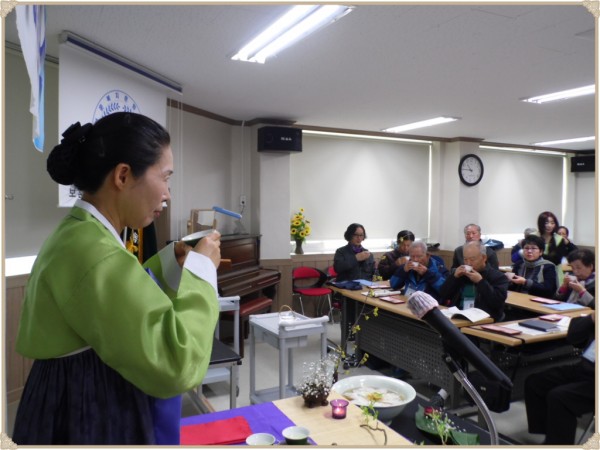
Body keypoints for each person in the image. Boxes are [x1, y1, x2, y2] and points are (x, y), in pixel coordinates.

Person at [12, 113, 221, 445]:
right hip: (87, 406)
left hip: (66, 395)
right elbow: (175, 362)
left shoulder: (80, 233)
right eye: (165, 177)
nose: (168, 195)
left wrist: (174, 265)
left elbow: (122, 291)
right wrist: (202, 271)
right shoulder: (94, 250)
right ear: (123, 175)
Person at [524, 312, 595, 444]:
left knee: (560, 397)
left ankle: (558, 443)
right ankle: (551, 437)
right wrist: (591, 318)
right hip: (585, 368)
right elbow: (573, 337)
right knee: (535, 383)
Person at [441, 241, 509, 321]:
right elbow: (443, 296)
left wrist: (480, 282)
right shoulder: (461, 275)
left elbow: (497, 303)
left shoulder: (499, 277)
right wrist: (454, 277)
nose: (468, 263)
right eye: (465, 259)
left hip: (483, 320)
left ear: (484, 258)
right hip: (458, 317)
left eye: (472, 259)